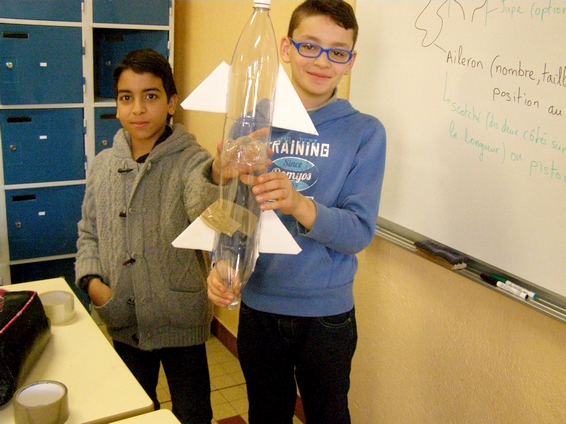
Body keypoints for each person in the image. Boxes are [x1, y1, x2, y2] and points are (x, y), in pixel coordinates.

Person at [207, 1, 387, 423]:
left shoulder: (365, 132)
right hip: (259, 307)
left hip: (326, 317)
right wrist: (222, 265)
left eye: (337, 52)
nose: (322, 61)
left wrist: (300, 205)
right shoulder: (251, 123)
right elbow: (232, 212)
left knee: (328, 414)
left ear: (350, 61)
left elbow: (359, 232)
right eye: (310, 46)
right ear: (286, 49)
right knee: (266, 413)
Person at [75, 49, 216, 424]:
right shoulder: (103, 166)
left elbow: (205, 208)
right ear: (116, 106)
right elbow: (88, 233)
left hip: (180, 319)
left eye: (150, 96)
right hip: (123, 315)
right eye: (126, 97)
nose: (138, 109)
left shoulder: (192, 160)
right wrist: (93, 284)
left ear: (171, 103)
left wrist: (218, 176)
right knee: (134, 410)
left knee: (194, 413)